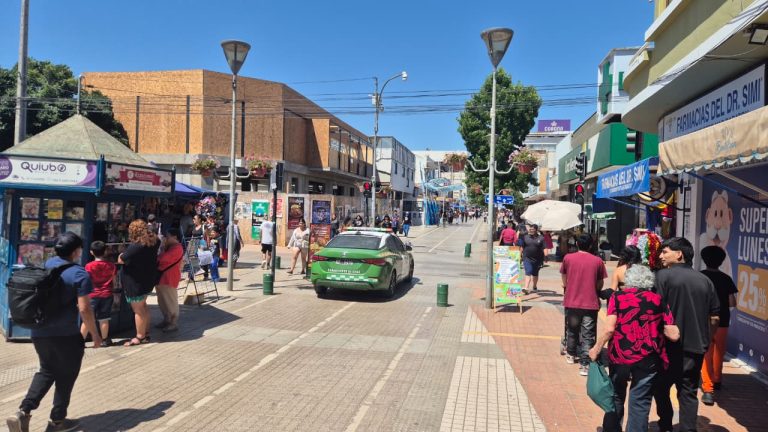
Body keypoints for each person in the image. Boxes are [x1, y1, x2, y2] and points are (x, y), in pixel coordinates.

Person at [6, 233, 101, 432]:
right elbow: (84, 309)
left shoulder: (45, 266)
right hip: (66, 335)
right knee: (66, 376)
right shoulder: (79, 273)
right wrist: (95, 334)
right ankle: (57, 421)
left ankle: (23, 411)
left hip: (39, 332)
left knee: (46, 370)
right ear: (76, 251)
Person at [589, 265, 680, 432]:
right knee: (640, 401)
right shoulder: (658, 299)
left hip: (620, 355)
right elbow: (673, 334)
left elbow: (610, 328)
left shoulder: (618, 297)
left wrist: (596, 348)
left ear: (628, 281)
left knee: (616, 395)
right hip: (649, 357)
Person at [653, 237, 720, 432]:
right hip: (696, 347)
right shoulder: (705, 280)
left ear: (679, 254)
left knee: (661, 387)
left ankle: (665, 424)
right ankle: (688, 429)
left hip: (667, 346)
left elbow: (655, 309)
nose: (661, 255)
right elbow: (715, 316)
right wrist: (707, 337)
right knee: (688, 392)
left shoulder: (662, 277)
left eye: (665, 252)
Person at [561, 233, 607, 376]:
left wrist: (567, 287)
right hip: (590, 302)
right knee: (588, 334)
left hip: (571, 300)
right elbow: (600, 282)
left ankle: (570, 353)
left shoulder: (568, 258)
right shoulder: (598, 261)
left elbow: (564, 277)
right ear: (591, 245)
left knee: (572, 328)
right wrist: (595, 289)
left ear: (577, 244)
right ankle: (585, 364)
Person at [699, 245, 738, 406]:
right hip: (722, 320)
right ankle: (718, 379)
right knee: (719, 351)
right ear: (721, 261)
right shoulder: (726, 279)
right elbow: (731, 302)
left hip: (704, 320)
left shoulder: (700, 277)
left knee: (706, 352)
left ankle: (708, 389)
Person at [119, 220, 160, 347]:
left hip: (135, 281)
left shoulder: (137, 245)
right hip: (148, 279)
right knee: (144, 306)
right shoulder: (155, 241)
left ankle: (140, 337)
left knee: (138, 310)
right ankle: (146, 333)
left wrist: (121, 253)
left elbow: (121, 259)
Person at [80, 241, 117, 347]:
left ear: (91, 252)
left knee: (88, 318)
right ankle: (105, 340)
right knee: (104, 318)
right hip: (107, 294)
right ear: (105, 251)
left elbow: (86, 281)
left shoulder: (88, 266)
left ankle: (81, 340)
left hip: (92, 295)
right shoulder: (111, 266)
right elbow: (114, 282)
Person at [155, 228, 184, 334]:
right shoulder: (170, 247)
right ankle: (166, 319)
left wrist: (162, 247)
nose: (166, 238)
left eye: (168, 236)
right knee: (162, 300)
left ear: (175, 237)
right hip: (162, 278)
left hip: (169, 278)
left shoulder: (177, 248)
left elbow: (162, 259)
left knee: (170, 301)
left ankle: (173, 322)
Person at [518, 224, 546, 292]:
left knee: (535, 274)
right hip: (527, 258)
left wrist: (546, 256)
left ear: (536, 230)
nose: (531, 230)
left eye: (532, 229)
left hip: (538, 259)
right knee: (528, 271)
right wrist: (519, 255)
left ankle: (534, 286)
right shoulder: (525, 237)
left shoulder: (541, 238)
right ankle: (526, 288)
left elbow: (544, 248)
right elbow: (522, 247)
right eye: (530, 229)